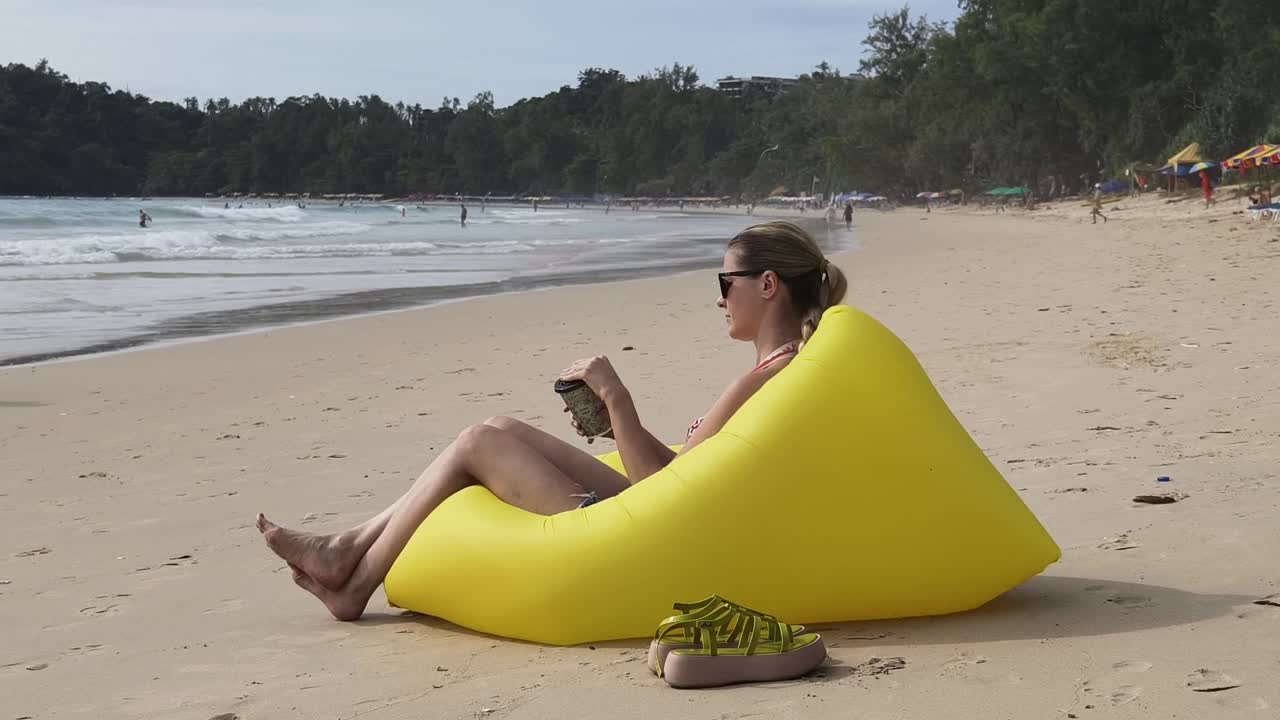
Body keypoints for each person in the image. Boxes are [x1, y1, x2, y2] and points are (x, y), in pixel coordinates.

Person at [255, 221, 848, 621]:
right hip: (671, 518)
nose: (719, 298)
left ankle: (354, 579)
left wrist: (616, 396)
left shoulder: (763, 377)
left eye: (726, 283)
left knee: (476, 442)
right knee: (502, 426)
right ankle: (350, 548)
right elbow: (694, 476)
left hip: (646, 538)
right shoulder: (782, 367)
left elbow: (669, 492)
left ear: (766, 285)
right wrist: (619, 427)